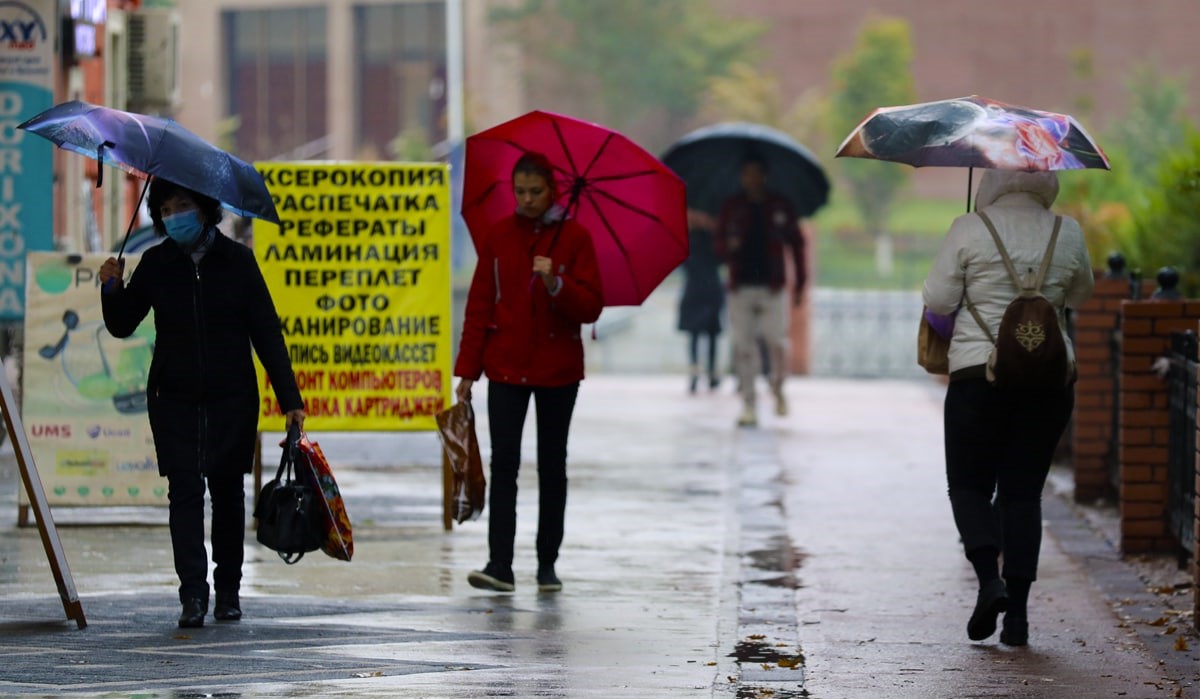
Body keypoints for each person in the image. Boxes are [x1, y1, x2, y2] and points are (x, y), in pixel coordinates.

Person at [99, 177, 306, 628]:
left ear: (206, 209)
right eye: (167, 208)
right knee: (185, 493)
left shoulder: (238, 262)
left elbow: (266, 332)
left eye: (184, 205)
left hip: (231, 398)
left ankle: (228, 591)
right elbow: (121, 324)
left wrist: (290, 397)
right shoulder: (155, 264)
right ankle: (192, 594)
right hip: (173, 399)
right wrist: (111, 288)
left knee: (228, 494)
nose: (175, 215)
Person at [922, 169, 1093, 646]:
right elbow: (1081, 294)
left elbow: (938, 299)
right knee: (1022, 495)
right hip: (1048, 381)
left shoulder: (969, 227)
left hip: (979, 376)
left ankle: (988, 581)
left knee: (969, 486)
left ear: (992, 181)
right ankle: (1017, 617)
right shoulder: (1068, 230)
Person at [454, 152, 604, 593]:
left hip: (559, 371)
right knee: (505, 466)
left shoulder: (575, 239)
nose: (527, 199)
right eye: (520, 191)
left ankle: (547, 564)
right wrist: (467, 371)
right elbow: (479, 307)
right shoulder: (499, 237)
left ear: (552, 190)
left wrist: (557, 282)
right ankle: (500, 563)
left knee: (552, 466)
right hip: (505, 368)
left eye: (535, 191)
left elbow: (591, 306)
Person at [714, 153, 806, 427]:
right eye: (747, 174)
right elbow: (717, 245)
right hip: (741, 285)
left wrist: (800, 283)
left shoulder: (780, 207)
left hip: (772, 286)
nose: (752, 179)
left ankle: (778, 386)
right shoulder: (732, 208)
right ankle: (749, 402)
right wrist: (728, 247)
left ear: (764, 176)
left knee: (776, 342)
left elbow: (797, 246)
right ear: (742, 177)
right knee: (743, 345)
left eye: (756, 173)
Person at [677, 208, 725, 394]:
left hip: (706, 288)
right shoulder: (689, 239)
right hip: (700, 288)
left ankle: (709, 372)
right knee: (697, 334)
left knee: (709, 334)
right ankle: (697, 372)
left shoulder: (710, 239)